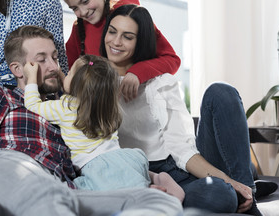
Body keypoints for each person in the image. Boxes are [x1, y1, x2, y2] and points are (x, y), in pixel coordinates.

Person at [0, 25, 183, 216]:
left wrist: (152, 178)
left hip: (69, 186)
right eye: (42, 60)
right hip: (14, 163)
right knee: (46, 199)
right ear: (19, 69)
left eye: (55, 57)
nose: (53, 66)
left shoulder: (74, 101)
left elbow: (102, 155)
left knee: (162, 202)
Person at [99, 4, 263, 216]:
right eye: (112, 31)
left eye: (127, 37)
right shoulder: (93, 83)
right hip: (144, 176)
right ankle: (239, 188)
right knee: (219, 194)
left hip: (179, 167)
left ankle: (248, 194)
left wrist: (232, 182)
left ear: (140, 42)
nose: (116, 41)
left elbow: (181, 150)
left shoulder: (160, 82)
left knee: (221, 92)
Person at [23, 54, 184, 201]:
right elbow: (75, 87)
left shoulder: (65, 107)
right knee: (131, 185)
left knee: (98, 198)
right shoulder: (106, 106)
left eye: (69, 72)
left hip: (96, 168)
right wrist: (63, 76)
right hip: (125, 159)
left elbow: (32, 105)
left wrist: (31, 79)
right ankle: (154, 183)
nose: (64, 72)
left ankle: (150, 193)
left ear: (76, 84)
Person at [60, 0, 180, 102]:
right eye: (74, 8)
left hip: (134, 104)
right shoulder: (79, 27)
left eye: (86, 1)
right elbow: (69, 70)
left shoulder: (131, 18)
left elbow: (171, 59)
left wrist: (137, 73)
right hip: (97, 109)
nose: (82, 12)